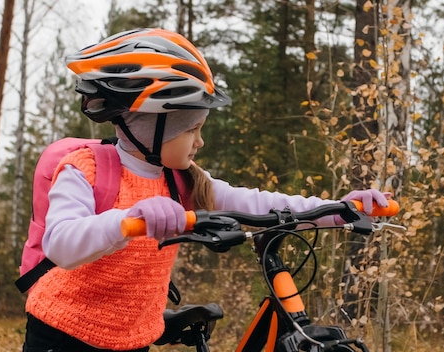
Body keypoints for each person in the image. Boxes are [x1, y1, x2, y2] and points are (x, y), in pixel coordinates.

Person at [22, 28, 391, 352]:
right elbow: (61, 242)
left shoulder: (181, 180)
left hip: (131, 340)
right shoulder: (84, 168)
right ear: (150, 124)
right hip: (62, 335)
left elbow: (259, 203)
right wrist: (127, 220)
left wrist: (339, 206)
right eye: (190, 129)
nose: (199, 142)